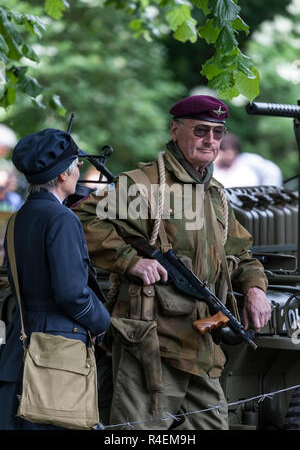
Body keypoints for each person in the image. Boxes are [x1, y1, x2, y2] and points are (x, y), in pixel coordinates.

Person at [73, 95, 271, 430]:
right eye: (201, 131)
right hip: (151, 341)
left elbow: (240, 253)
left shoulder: (214, 194)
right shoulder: (144, 187)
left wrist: (255, 289)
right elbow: (81, 220)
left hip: (201, 342)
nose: (210, 140)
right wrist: (129, 260)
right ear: (175, 130)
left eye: (218, 132)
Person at [0, 128, 111, 430]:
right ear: (63, 175)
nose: (78, 171)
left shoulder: (19, 217)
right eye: (75, 164)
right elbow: (72, 293)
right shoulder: (62, 218)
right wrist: (102, 322)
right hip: (56, 359)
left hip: (20, 349)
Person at [213, 132, 283, 187]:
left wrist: (267, 194)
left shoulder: (248, 161)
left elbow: (273, 171)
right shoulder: (214, 168)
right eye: (223, 150)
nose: (226, 155)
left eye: (228, 150)